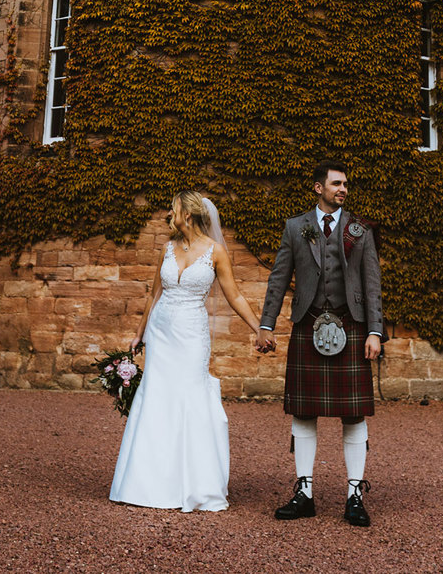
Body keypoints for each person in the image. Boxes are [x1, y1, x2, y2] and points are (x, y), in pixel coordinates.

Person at [109, 190, 264, 512]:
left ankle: (195, 483)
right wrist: (139, 335)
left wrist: (259, 328)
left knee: (190, 398)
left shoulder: (216, 252)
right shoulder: (167, 248)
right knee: (157, 399)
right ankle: (147, 482)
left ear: (188, 215)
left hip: (192, 335)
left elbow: (234, 296)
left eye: (173, 209)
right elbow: (154, 295)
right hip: (161, 333)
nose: (169, 215)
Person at [258, 161, 383, 528]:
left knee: (354, 413)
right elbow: (279, 277)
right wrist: (266, 324)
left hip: (352, 325)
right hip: (308, 325)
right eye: (336, 183)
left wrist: (375, 331)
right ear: (318, 188)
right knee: (303, 412)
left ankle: (355, 495)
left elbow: (372, 282)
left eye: (346, 184)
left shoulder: (360, 229)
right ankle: (305, 493)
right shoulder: (296, 227)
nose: (343, 189)